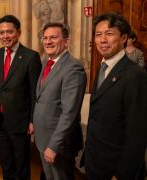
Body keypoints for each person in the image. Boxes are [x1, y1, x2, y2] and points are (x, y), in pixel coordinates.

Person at [84, 12, 147, 179]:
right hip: (95, 162)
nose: (102, 40)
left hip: (115, 169)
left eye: (109, 33)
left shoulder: (135, 75)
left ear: (124, 37)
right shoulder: (102, 67)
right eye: (98, 34)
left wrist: (122, 175)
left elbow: (138, 134)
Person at [0, 15, 42, 180]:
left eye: (9, 32)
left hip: (21, 121)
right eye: (2, 32)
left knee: (21, 164)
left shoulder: (31, 57)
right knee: (6, 162)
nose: (5, 36)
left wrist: (33, 120)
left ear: (18, 32)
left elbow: (35, 92)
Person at [33, 22, 87, 180]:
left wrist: (54, 145)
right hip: (44, 138)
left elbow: (69, 113)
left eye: (54, 37)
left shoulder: (73, 68)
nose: (48, 41)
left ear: (66, 41)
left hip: (58, 144)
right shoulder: (46, 62)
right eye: (45, 38)